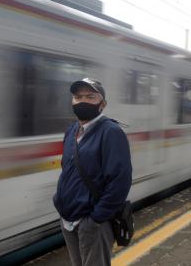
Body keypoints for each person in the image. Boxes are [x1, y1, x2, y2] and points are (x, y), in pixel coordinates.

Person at [53, 78, 132, 266]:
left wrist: (96, 218)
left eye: (90, 96)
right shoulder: (72, 130)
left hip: (92, 221)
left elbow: (120, 181)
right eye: (77, 97)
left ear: (102, 104)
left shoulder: (111, 132)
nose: (82, 101)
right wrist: (59, 200)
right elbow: (67, 168)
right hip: (68, 217)